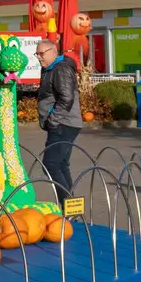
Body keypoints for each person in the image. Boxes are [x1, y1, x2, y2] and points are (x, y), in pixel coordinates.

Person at [35, 35, 82, 201]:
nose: (39, 57)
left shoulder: (60, 68)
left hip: (63, 123)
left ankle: (68, 205)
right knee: (61, 164)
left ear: (53, 51)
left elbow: (66, 98)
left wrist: (53, 120)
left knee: (51, 164)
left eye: (41, 53)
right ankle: (71, 207)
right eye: (37, 54)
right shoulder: (50, 69)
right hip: (63, 123)